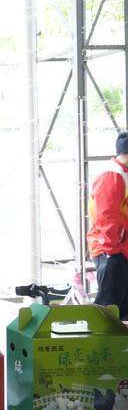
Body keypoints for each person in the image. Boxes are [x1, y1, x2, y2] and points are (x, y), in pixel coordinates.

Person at [87, 131, 128, 318]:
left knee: (120, 312)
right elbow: (106, 216)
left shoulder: (121, 174)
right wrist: (112, 252)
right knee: (109, 312)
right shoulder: (112, 174)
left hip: (118, 251)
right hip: (111, 252)